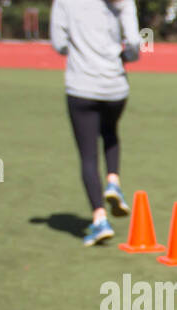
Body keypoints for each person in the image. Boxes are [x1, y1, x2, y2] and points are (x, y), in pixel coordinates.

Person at [50, 0, 140, 246]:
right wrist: (124, 56)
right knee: (110, 133)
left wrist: (81, 48)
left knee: (88, 157)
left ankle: (100, 219)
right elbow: (133, 43)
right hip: (115, 87)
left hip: (82, 86)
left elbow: (58, 43)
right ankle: (114, 181)